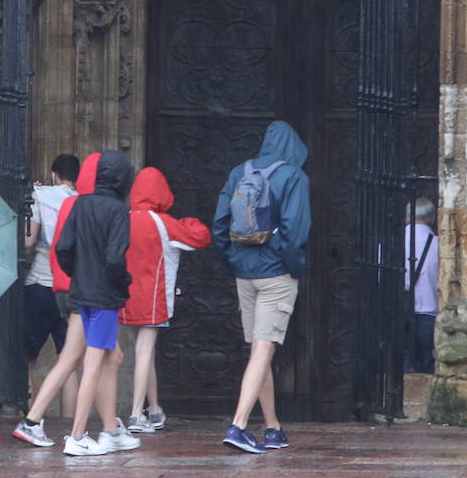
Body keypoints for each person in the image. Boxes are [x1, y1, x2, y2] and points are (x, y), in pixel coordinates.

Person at [212, 120, 311, 454]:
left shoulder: (240, 171)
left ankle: (273, 427)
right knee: (264, 348)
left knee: (259, 347)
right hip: (275, 274)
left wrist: (235, 259)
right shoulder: (293, 176)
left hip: (245, 273)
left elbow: (219, 226)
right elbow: (295, 231)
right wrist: (292, 266)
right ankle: (239, 426)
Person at [13, 154, 123, 449]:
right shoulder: (99, 205)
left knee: (58, 357)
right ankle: (75, 431)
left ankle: (35, 419)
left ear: (53, 174)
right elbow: (114, 257)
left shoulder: (47, 199)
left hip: (53, 284)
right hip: (93, 293)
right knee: (86, 360)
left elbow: (38, 242)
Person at [55, 150, 138, 456]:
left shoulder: (81, 203)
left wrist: (78, 274)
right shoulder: (118, 210)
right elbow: (116, 258)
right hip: (104, 297)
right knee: (93, 364)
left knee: (108, 356)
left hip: (82, 292)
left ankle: (111, 431)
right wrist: (124, 281)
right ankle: (77, 436)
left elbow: (64, 247)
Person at [121, 167, 211, 434]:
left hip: (126, 294)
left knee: (142, 351)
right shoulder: (163, 222)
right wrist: (190, 220)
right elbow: (200, 237)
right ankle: (137, 414)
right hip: (153, 296)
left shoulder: (124, 218)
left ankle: (155, 409)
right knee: (145, 351)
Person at [21, 154, 81, 417]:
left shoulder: (40, 196)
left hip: (42, 282)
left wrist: (28, 206)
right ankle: (69, 422)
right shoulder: (81, 201)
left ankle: (31, 414)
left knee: (29, 357)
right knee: (67, 360)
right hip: (71, 287)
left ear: (54, 174)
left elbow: (28, 241)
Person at [405, 197, 439, 375]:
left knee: (398, 366)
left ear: (406, 217)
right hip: (428, 315)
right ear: (432, 218)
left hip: (398, 315)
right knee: (426, 367)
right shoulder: (439, 246)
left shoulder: (390, 244)